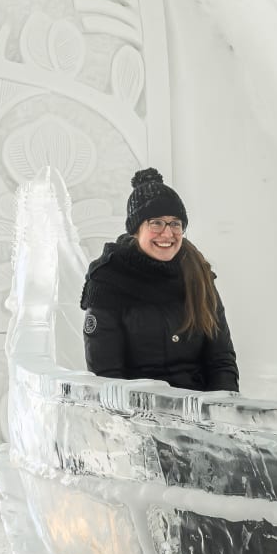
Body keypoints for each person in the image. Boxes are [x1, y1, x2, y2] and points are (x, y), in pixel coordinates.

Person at [81, 168, 239, 392]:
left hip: (201, 412)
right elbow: (107, 377)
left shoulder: (198, 273)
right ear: (136, 229)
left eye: (175, 223)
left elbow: (221, 360)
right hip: (140, 414)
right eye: (156, 223)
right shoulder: (107, 281)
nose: (168, 234)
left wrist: (222, 413)